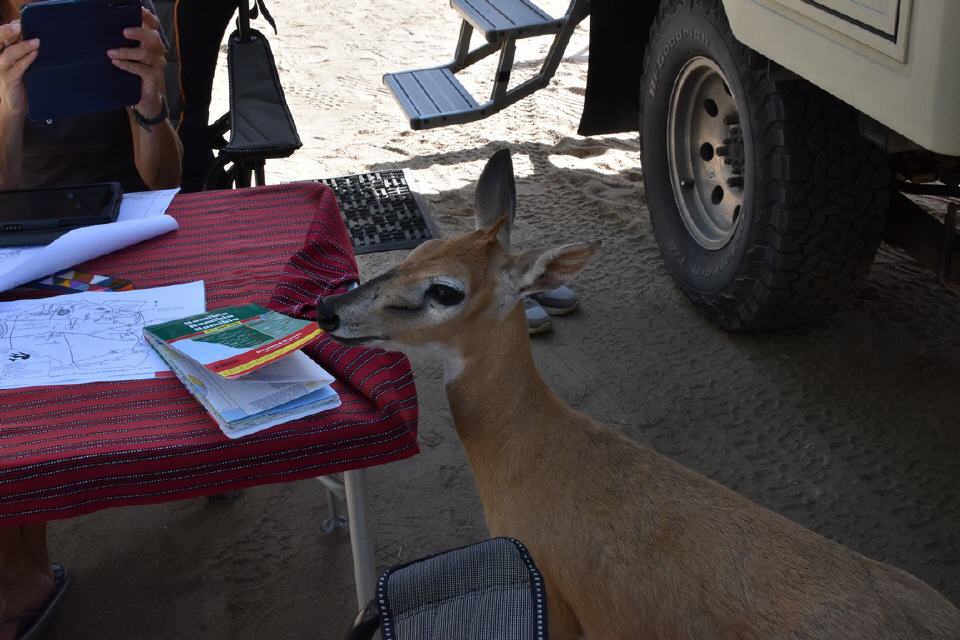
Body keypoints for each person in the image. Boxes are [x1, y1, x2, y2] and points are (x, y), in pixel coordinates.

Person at [0, 2, 181, 638]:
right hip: (15, 230)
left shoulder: (121, 14)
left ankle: (23, 579)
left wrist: (151, 103)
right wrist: (9, 111)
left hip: (118, 222)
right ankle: (21, 574)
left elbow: (166, 176)